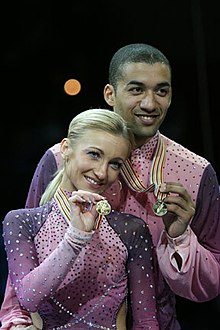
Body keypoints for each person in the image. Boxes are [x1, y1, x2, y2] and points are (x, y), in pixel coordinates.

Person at [1, 43, 220, 329]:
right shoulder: (60, 159)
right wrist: (16, 320)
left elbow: (211, 281)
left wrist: (179, 238)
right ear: (110, 94)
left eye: (161, 91)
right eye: (136, 89)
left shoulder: (196, 172)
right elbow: (24, 263)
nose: (150, 103)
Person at [1, 108, 160, 330]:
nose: (102, 172)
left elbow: (146, 322)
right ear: (66, 148)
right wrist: (76, 238)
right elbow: (28, 297)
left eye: (115, 163)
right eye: (94, 154)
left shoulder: (130, 229)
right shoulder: (23, 222)